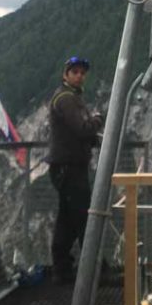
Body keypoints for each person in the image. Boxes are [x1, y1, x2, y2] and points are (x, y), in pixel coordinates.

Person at [48, 56, 103, 282]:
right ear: (66, 74)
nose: (80, 75)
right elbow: (81, 128)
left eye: (82, 72)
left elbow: (74, 133)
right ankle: (96, 271)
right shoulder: (67, 99)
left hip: (66, 167)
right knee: (83, 218)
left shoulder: (69, 97)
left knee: (68, 219)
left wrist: (91, 139)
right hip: (69, 168)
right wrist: (99, 119)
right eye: (75, 72)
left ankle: (62, 269)